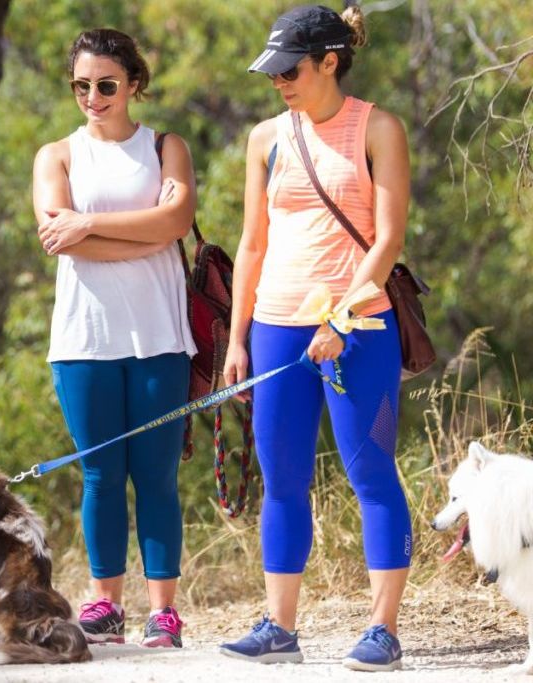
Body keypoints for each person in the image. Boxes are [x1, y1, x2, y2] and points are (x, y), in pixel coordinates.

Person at [219, 4, 412, 672]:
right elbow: (251, 243)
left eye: (290, 70)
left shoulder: (378, 127)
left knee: (370, 473)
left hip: (359, 325)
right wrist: (236, 337)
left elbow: (387, 238)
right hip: (275, 323)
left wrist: (340, 316)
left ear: (330, 61)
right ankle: (280, 625)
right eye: (272, 72)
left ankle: (382, 629)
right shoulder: (266, 137)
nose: (279, 83)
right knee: (282, 479)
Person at [31, 28, 197, 648]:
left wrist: (91, 225)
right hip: (83, 340)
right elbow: (55, 236)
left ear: (133, 83)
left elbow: (176, 220)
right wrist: (146, 234)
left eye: (105, 85)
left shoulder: (166, 147)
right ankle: (105, 605)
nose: (93, 97)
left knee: (155, 476)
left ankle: (163, 611)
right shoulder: (57, 156)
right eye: (81, 86)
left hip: (159, 336)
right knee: (100, 475)